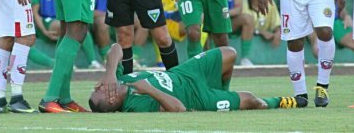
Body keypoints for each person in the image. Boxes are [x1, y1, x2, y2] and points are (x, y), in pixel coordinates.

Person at [90, 44, 307, 112]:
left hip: (185, 72)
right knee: (252, 100)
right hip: (196, 97)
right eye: (99, 90)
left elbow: (116, 47)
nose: (100, 85)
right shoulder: (135, 106)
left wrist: (109, 73)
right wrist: (149, 89)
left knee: (229, 53)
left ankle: (222, 91)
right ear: (110, 99)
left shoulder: (119, 79)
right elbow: (180, 110)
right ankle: (282, 101)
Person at [226, 0, 255, 66]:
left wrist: (224, 14)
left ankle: (245, 59)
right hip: (214, 22)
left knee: (247, 18)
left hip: (229, 21)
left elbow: (238, 9)